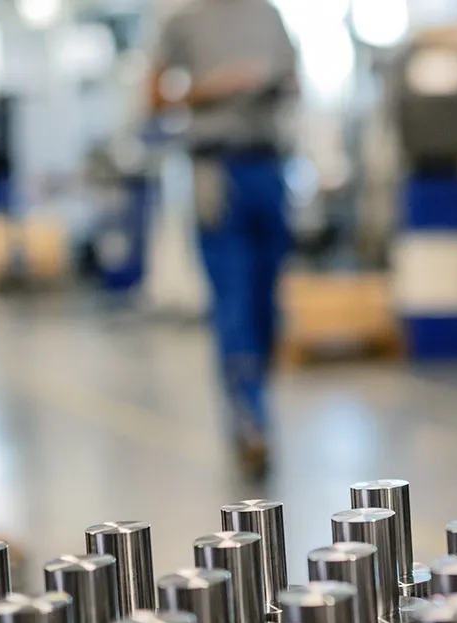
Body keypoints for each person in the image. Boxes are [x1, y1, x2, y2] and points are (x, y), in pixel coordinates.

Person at [149, 0, 301, 480]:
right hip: (217, 172)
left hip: (268, 167)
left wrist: (270, 83)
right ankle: (249, 419)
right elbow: (153, 96)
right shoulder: (183, 21)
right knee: (234, 301)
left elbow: (294, 80)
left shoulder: (268, 15)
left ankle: (255, 398)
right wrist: (215, 87)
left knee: (266, 304)